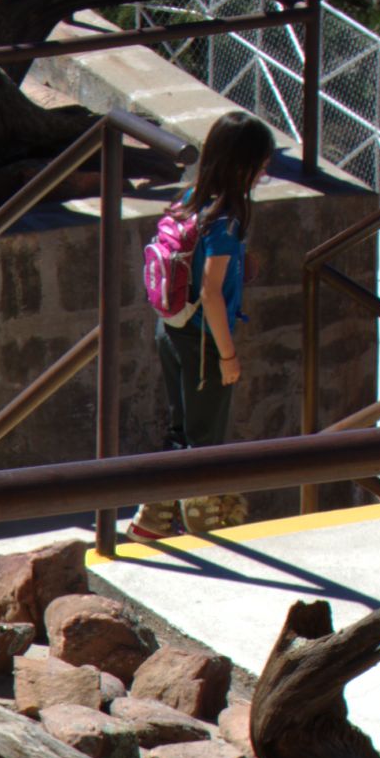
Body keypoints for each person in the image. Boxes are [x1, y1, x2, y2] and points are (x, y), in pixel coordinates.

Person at [129, 110, 277, 541]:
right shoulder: (226, 218)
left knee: (181, 430)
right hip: (203, 341)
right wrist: (228, 356)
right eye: (262, 167)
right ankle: (203, 529)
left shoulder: (190, 198)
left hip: (171, 329)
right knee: (205, 441)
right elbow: (211, 293)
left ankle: (151, 519)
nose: (262, 175)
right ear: (243, 165)